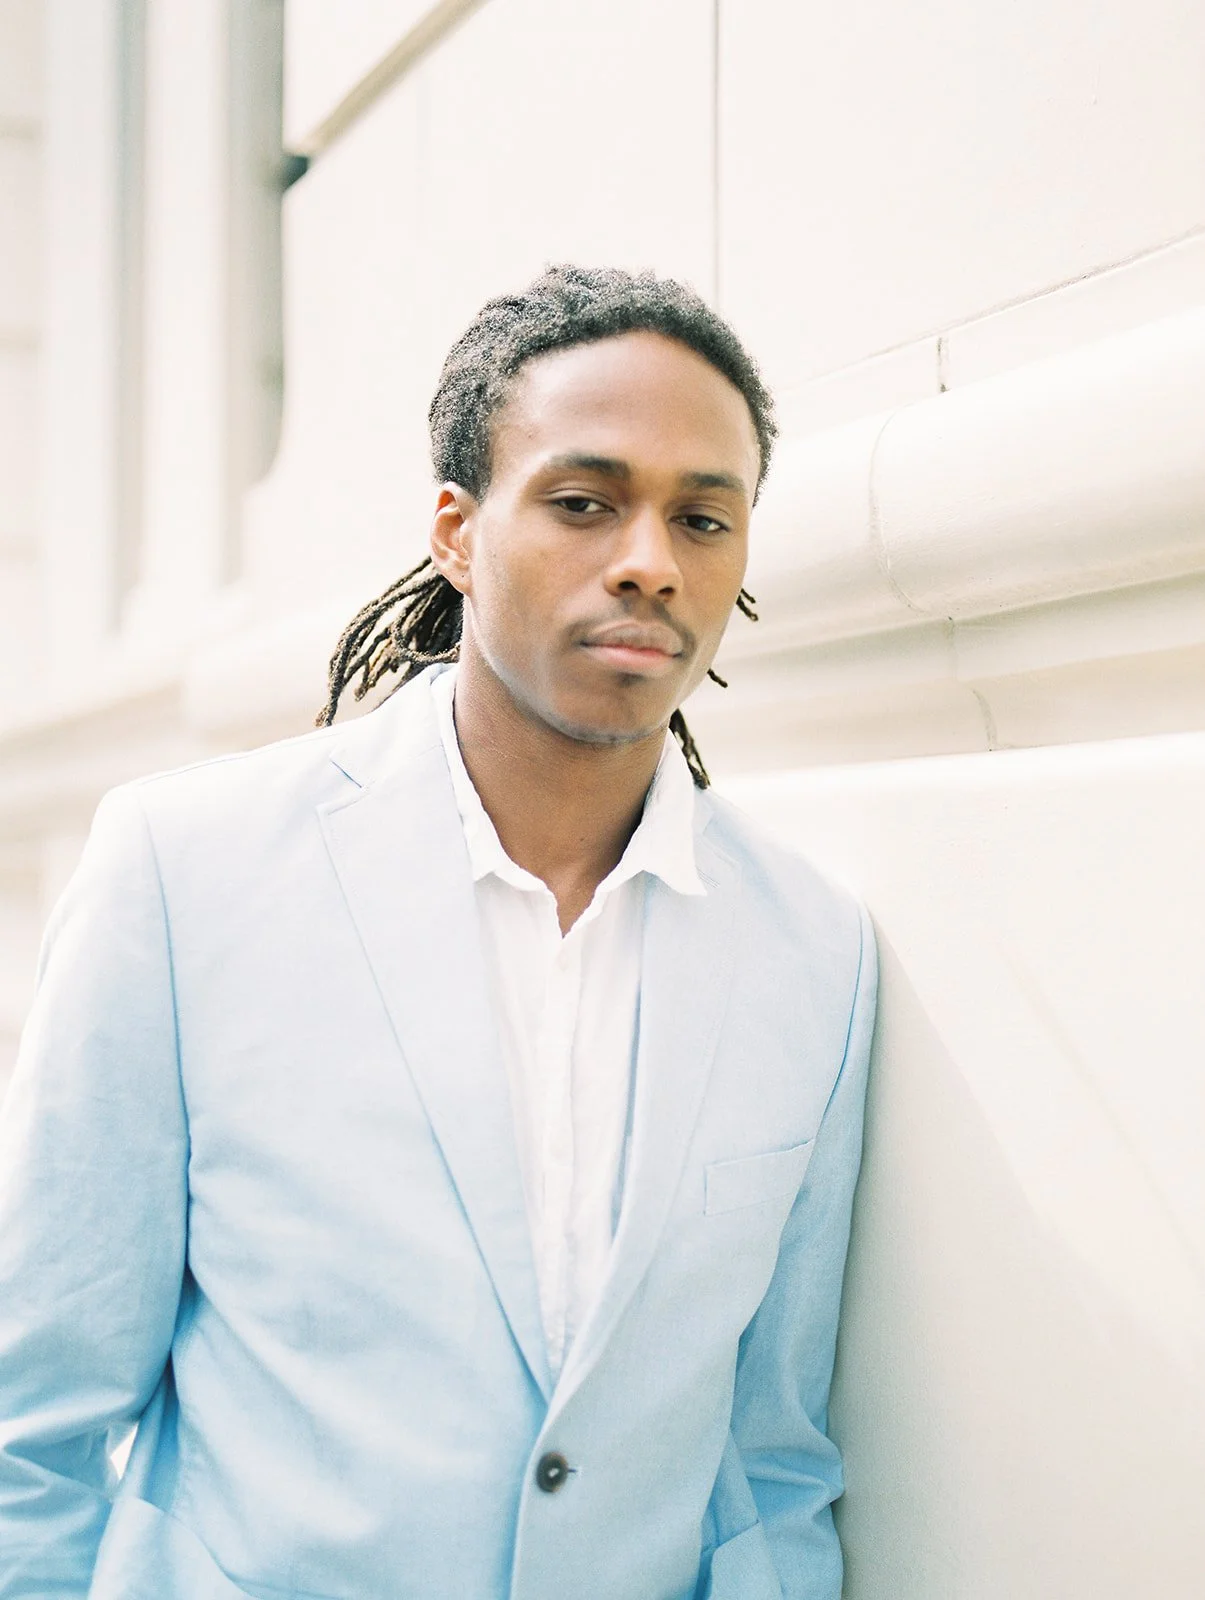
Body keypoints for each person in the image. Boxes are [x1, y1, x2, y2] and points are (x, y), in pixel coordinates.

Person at [0, 265, 877, 1600]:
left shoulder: (816, 951)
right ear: (459, 535)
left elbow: (770, 1464)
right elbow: (35, 1426)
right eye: (584, 503)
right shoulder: (182, 873)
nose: (650, 561)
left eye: (703, 519)